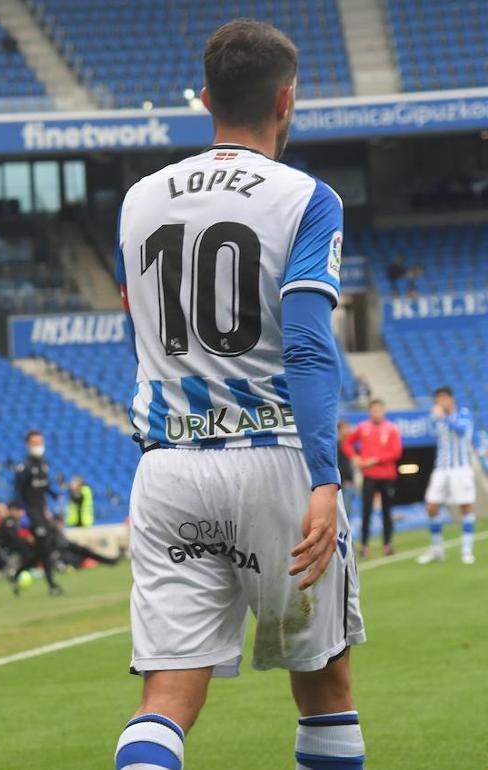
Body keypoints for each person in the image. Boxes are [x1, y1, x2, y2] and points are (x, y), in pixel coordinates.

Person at [113, 20, 364, 770]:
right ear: (286, 100)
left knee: (166, 696)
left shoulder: (137, 200)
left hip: (170, 466)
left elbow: (141, 332)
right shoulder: (308, 198)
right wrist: (325, 476)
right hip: (277, 457)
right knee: (324, 682)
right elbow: (311, 344)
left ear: (205, 97)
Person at [418, 386, 477, 565]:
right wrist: (438, 418)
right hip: (441, 468)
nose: (441, 402)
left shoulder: (464, 413)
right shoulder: (437, 418)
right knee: (431, 506)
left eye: (443, 398)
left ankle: (467, 551)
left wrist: (444, 417)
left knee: (465, 507)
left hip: (461, 468)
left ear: (451, 399)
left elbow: (461, 430)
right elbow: (432, 430)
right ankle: (438, 550)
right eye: (438, 399)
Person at [341, 399, 401, 557]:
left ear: (383, 411)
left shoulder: (391, 429)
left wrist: (376, 460)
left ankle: (387, 544)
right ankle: (365, 545)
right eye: (373, 410)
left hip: (387, 475)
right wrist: (355, 457)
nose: (376, 413)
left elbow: (396, 452)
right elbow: (346, 443)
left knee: (387, 512)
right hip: (369, 476)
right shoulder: (363, 427)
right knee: (366, 511)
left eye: (378, 410)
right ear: (370, 411)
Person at [14, 430, 62, 595]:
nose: (38, 446)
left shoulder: (43, 464)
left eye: (40, 442)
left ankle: (18, 573)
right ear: (28, 445)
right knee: (45, 549)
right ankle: (52, 585)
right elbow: (18, 491)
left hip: (42, 511)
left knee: (43, 549)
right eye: (34, 443)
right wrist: (22, 513)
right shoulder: (24, 467)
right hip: (31, 513)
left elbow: (45, 486)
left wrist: (55, 495)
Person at [337, 420, 359, 531]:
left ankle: (347, 540)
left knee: (348, 513)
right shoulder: (337, 445)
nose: (347, 431)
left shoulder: (349, 445)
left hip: (350, 483)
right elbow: (338, 465)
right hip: (343, 484)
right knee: (344, 514)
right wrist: (344, 480)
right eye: (345, 428)